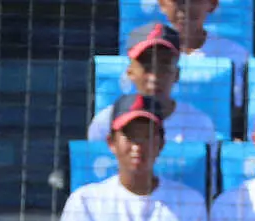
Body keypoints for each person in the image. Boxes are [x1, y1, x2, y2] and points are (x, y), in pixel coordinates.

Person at [58, 94, 209, 221]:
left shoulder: (189, 202)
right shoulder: (85, 202)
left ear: (161, 143)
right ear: (111, 142)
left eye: (147, 136)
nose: (137, 147)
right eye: (130, 136)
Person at [88, 23, 217, 146]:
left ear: (177, 74)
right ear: (130, 72)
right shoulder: (105, 123)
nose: (154, 77)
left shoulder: (199, 124)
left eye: (164, 65)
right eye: (146, 65)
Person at [156, 0, 250, 107]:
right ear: (162, 4)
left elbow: (237, 106)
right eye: (178, 1)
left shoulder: (234, 54)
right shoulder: (148, 53)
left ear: (213, 4)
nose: (185, 8)